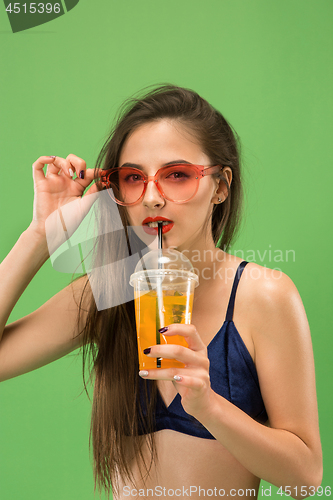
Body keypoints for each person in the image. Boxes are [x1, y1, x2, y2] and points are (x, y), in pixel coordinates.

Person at [0, 85, 322, 500]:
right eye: (134, 178)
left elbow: (305, 479)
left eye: (177, 175)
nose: (152, 197)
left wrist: (208, 406)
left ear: (221, 186)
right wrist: (41, 235)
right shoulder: (110, 289)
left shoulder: (264, 296)